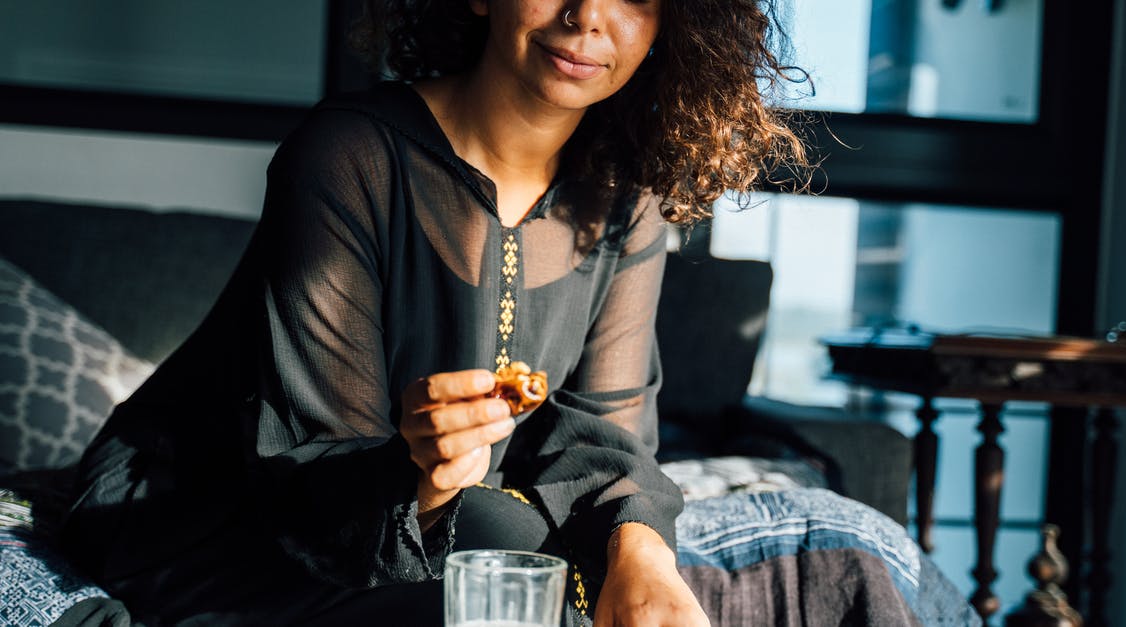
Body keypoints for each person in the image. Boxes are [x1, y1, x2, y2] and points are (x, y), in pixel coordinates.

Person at [59, 0, 811, 625]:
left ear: (669, 29)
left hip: (451, 518)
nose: (587, 18)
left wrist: (642, 548)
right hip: (221, 512)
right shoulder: (348, 155)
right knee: (510, 552)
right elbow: (320, 469)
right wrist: (422, 470)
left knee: (572, 550)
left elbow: (610, 440)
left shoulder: (626, 206)